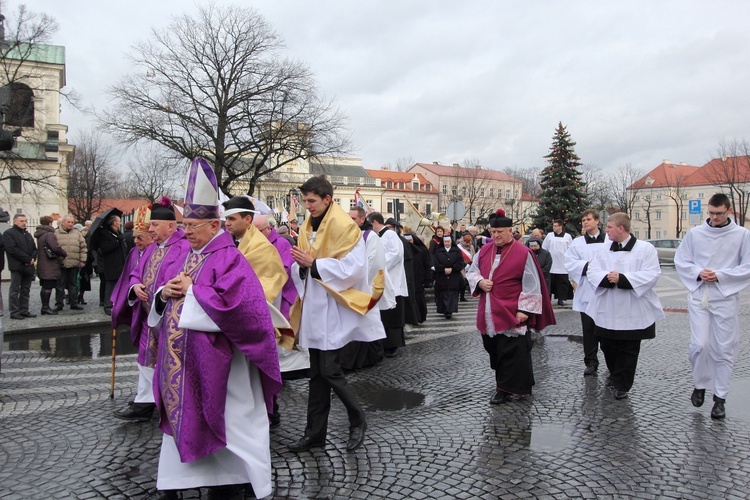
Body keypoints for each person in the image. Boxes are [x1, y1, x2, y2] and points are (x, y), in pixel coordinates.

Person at [147, 158, 282, 499]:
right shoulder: (181, 255)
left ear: (213, 225)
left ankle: (237, 477)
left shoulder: (230, 257)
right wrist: (163, 295)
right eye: (185, 225)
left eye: (193, 225)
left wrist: (194, 292)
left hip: (224, 365)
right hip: (180, 360)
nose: (187, 231)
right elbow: (161, 295)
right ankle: (177, 481)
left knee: (231, 421)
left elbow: (244, 310)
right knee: (185, 413)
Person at [288, 176, 385, 453]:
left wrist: (314, 264)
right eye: (305, 201)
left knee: (330, 370)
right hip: (315, 307)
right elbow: (303, 265)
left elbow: (354, 270)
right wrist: (303, 267)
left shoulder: (345, 227)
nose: (307, 207)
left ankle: (358, 417)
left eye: (311, 201)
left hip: (335, 306)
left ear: (327, 199)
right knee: (317, 374)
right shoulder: (308, 226)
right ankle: (314, 434)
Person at [466, 209, 555, 404]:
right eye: (493, 232)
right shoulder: (484, 251)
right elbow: (471, 271)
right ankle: (515, 384)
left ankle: (505, 389)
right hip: (489, 310)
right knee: (494, 349)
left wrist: (525, 310)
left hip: (512, 311)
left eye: (500, 232)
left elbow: (532, 283)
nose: (496, 235)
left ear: (510, 230)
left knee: (513, 352)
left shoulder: (523, 252)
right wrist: (480, 282)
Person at [112, 201, 190, 423]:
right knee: (145, 358)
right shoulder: (152, 248)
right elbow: (135, 273)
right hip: (149, 317)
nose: (151, 230)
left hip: (170, 317)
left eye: (155, 225)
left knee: (171, 360)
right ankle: (145, 401)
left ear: (171, 226)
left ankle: (167, 399)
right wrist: (135, 286)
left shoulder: (183, 248)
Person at [674, 193, 750, 419]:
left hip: (725, 296)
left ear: (728, 212)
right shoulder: (696, 234)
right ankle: (700, 384)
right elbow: (681, 260)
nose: (714, 217)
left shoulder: (742, 235)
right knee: (699, 345)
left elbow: (748, 266)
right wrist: (698, 272)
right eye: (711, 213)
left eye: (719, 213)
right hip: (700, 295)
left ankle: (720, 398)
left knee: (724, 348)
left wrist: (720, 275)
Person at [585, 212, 664, 400]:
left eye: (610, 227)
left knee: (628, 348)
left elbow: (652, 274)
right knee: (607, 344)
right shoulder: (604, 250)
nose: (607, 231)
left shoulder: (645, 249)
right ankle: (614, 374)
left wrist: (623, 278)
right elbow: (593, 271)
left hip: (632, 308)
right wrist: (607, 278)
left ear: (621, 228)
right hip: (608, 306)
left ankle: (623, 384)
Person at [340, 206, 394, 370]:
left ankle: (371, 357)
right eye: (349, 218)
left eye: (354, 219)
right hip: (350, 286)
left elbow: (374, 262)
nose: (350, 222)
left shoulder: (370, 237)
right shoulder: (347, 237)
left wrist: (357, 280)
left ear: (362, 220)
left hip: (366, 287)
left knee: (368, 323)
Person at [564, 209, 607, 377]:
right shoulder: (577, 243)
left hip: (605, 292)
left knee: (606, 329)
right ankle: (591, 362)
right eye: (583, 220)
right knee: (589, 331)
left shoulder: (609, 241)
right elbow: (570, 262)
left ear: (597, 221)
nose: (585, 222)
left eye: (588, 219)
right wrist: (588, 265)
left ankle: (611, 361)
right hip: (587, 292)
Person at [368, 212, 408, 357]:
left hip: (393, 279)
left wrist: (380, 265)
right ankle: (385, 344)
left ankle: (393, 345)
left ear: (374, 223)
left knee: (393, 315)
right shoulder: (378, 237)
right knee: (385, 314)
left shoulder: (390, 235)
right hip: (383, 279)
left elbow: (396, 254)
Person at [91, 214, 129, 315]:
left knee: (119, 285)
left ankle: (117, 305)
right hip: (111, 264)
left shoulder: (117, 233)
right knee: (110, 285)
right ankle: (107, 306)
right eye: (119, 221)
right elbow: (104, 249)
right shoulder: (105, 233)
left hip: (120, 263)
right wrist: (117, 241)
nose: (120, 223)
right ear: (114, 222)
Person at [3, 214, 37, 320]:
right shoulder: (9, 233)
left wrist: (32, 258)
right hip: (17, 266)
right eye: (21, 221)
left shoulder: (27, 234)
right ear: (15, 222)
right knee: (14, 289)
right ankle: (14, 311)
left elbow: (34, 248)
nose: (24, 223)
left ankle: (24, 310)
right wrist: (27, 259)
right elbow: (12, 249)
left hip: (28, 266)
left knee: (25, 289)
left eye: (25, 221)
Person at [34, 215, 67, 316]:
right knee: (48, 286)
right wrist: (64, 253)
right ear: (50, 223)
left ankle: (44, 306)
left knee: (44, 286)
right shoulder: (49, 234)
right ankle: (45, 307)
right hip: (49, 264)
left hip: (43, 263)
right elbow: (55, 247)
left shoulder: (40, 234)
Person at [54, 214, 87, 311]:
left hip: (74, 263)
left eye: (72, 222)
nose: (70, 224)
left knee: (73, 285)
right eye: (68, 222)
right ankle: (59, 304)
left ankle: (74, 303)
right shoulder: (56, 233)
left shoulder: (77, 233)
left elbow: (83, 247)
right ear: (63, 222)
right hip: (61, 264)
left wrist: (82, 260)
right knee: (60, 285)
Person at [433, 234, 466, 319]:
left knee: (452, 293)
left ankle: (450, 311)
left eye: (448, 241)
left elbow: (461, 262)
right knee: (443, 293)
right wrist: (443, 269)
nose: (446, 243)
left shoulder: (457, 251)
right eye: (445, 242)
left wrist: (452, 269)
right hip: (442, 276)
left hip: (454, 276)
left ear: (451, 242)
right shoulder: (438, 251)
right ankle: (444, 310)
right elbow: (435, 263)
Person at [543, 219, 574, 306]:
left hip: (562, 264)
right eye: (553, 226)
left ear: (561, 226)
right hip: (552, 263)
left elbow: (570, 249)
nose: (554, 227)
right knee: (550, 283)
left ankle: (561, 299)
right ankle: (548, 298)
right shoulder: (549, 236)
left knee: (562, 283)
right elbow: (545, 247)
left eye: (556, 226)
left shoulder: (567, 236)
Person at [404, 231, 431, 324]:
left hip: (419, 278)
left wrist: (428, 279)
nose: (408, 242)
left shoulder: (422, 250)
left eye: (410, 240)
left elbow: (428, 265)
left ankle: (420, 317)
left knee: (418, 298)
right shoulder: (402, 250)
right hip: (407, 278)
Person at [457, 231, 475, 302]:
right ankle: (458, 296)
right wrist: (465, 264)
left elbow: (473, 254)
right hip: (462, 267)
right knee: (461, 282)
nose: (467, 243)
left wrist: (471, 262)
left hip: (470, 266)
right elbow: (458, 257)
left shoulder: (472, 246)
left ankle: (462, 296)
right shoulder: (459, 247)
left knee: (465, 283)